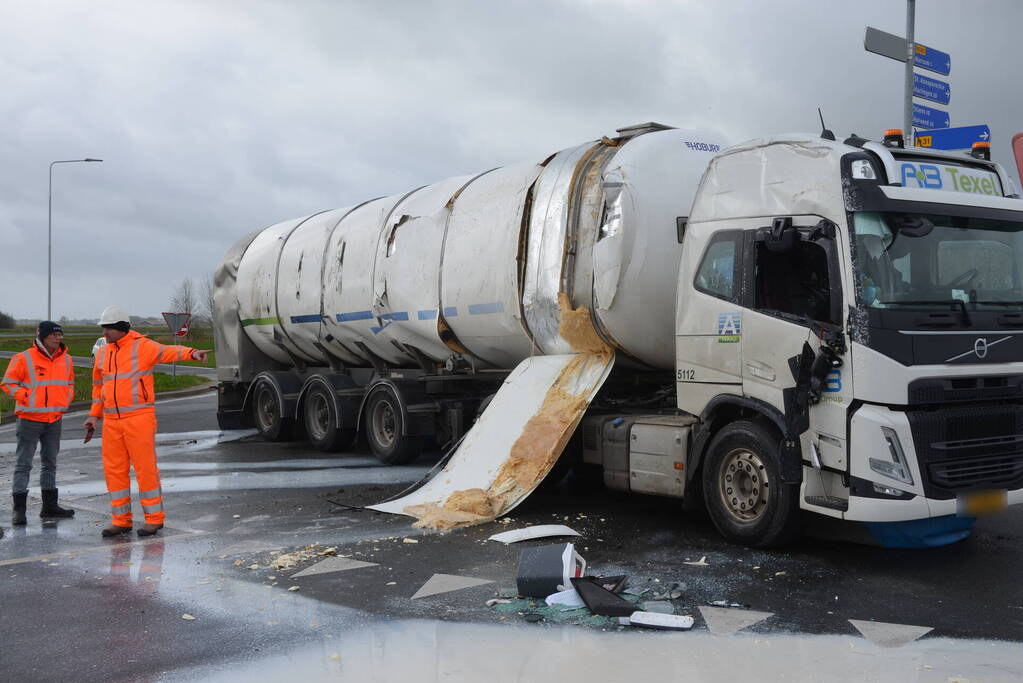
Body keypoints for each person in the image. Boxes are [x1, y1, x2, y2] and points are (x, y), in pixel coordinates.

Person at [82, 306, 209, 538]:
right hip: (111, 421)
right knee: (114, 471)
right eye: (104, 328)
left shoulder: (142, 346)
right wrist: (94, 414)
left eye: (108, 328)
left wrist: (192, 353)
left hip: (138, 418)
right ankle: (120, 520)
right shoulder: (102, 353)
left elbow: (168, 352)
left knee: (145, 470)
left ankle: (154, 519)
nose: (105, 332)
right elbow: (98, 388)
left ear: (121, 328)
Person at [1, 321, 77, 526]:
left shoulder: (67, 359)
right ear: (42, 336)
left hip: (54, 419)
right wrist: (25, 396)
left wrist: (66, 398)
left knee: (50, 462)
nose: (58, 337)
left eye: (60, 334)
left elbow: (70, 383)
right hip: (29, 419)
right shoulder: (23, 358)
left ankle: (49, 507)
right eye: (53, 334)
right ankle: (19, 511)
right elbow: (7, 383)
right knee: (23, 464)